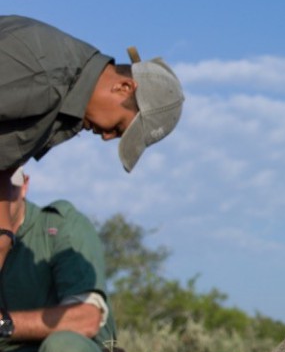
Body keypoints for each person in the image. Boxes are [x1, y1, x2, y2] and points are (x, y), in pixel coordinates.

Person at [0, 15, 184, 271]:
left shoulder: (68, 94)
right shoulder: (46, 76)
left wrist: (4, 232)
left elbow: (5, 161)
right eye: (119, 128)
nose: (107, 136)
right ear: (123, 87)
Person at [0, 167, 117, 352]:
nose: (4, 199)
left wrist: (4, 323)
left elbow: (86, 319)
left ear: (25, 185)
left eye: (8, 187)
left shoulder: (60, 225)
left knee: (62, 350)